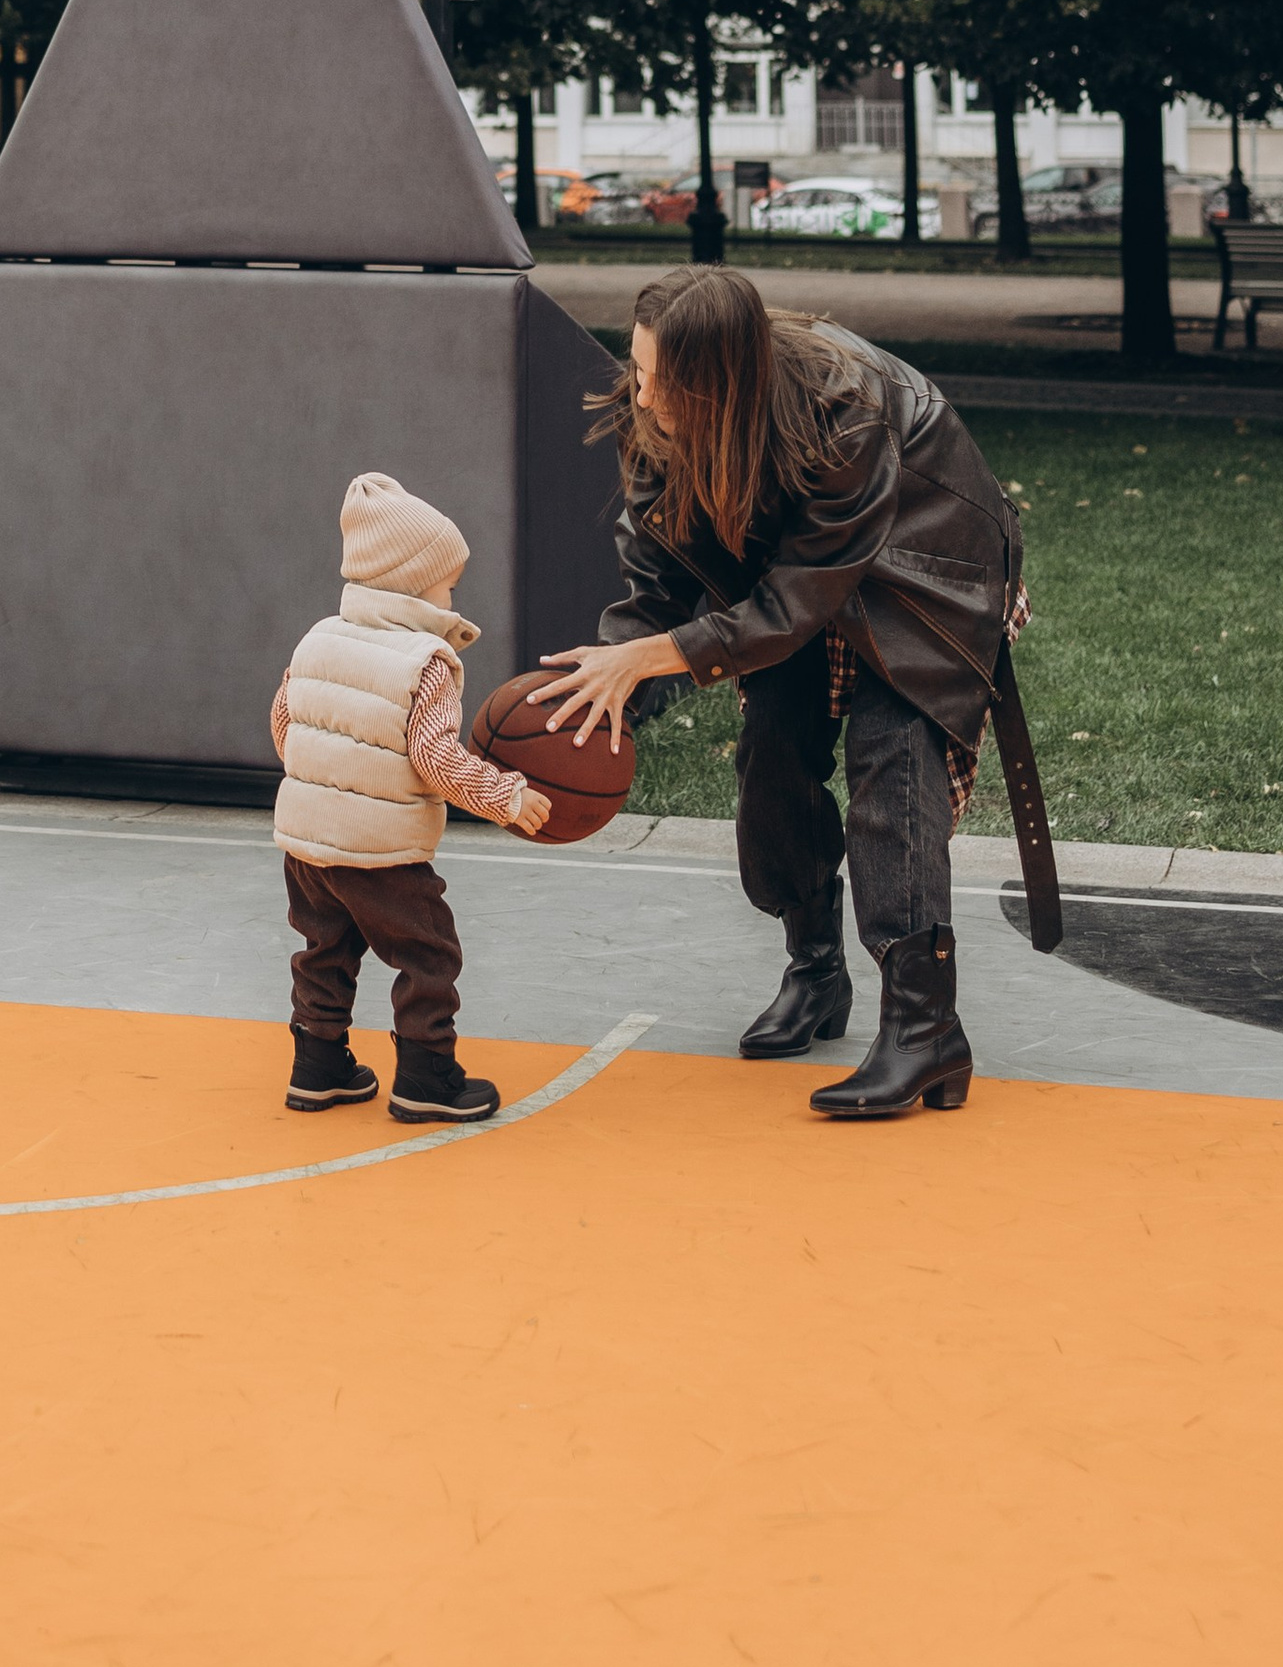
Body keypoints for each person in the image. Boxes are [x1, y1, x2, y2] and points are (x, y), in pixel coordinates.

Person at [530, 268, 1028, 1124]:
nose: (641, 398)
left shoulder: (846, 412)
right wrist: (596, 691)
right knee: (772, 761)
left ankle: (925, 1027)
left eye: (661, 381)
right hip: (799, 582)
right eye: (637, 371)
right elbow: (663, 579)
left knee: (893, 759)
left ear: (721, 383)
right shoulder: (653, 413)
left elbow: (801, 602)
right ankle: (815, 971)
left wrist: (657, 657)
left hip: (923, 574)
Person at [271, 469, 552, 1123]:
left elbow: (286, 723)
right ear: (413, 580)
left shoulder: (317, 638)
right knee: (428, 953)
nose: (453, 591)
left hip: (307, 846)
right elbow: (433, 758)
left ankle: (317, 1066)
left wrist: (323, 783)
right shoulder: (424, 660)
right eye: (448, 578)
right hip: (381, 850)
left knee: (324, 948)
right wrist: (503, 795)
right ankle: (426, 1076)